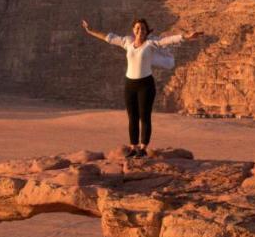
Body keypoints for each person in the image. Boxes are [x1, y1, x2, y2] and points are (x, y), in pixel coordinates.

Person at [81, 18, 201, 158]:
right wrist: (90, 30)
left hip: (146, 85)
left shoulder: (150, 44)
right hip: (130, 85)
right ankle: (133, 147)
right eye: (137, 28)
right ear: (133, 30)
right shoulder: (127, 42)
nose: (140, 31)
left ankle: (143, 148)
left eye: (143, 29)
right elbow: (109, 37)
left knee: (144, 117)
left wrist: (186, 37)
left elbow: (168, 40)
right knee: (132, 117)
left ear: (146, 31)